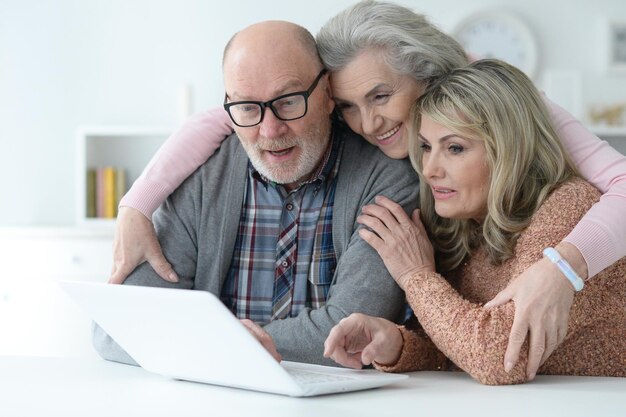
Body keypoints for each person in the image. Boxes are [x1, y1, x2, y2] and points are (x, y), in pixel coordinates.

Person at [109, 1, 626, 379]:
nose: (370, 123)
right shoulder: (459, 222)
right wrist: (135, 205)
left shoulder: (545, 178)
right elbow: (456, 343)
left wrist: (563, 266)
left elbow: (494, 355)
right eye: (350, 106)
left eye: (381, 96)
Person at [93, 20, 419, 366]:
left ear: (327, 94)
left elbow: (353, 336)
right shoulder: (201, 176)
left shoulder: (386, 177)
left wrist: (205, 342)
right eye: (248, 107)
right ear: (229, 108)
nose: (270, 129)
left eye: (289, 102)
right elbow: (116, 332)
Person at [323, 59, 626, 385]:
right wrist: (395, 343)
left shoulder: (567, 207)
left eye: (455, 148)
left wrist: (415, 277)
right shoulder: (467, 221)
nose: (429, 170)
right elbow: (455, 342)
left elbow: (498, 359)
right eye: (426, 147)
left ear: (509, 151)